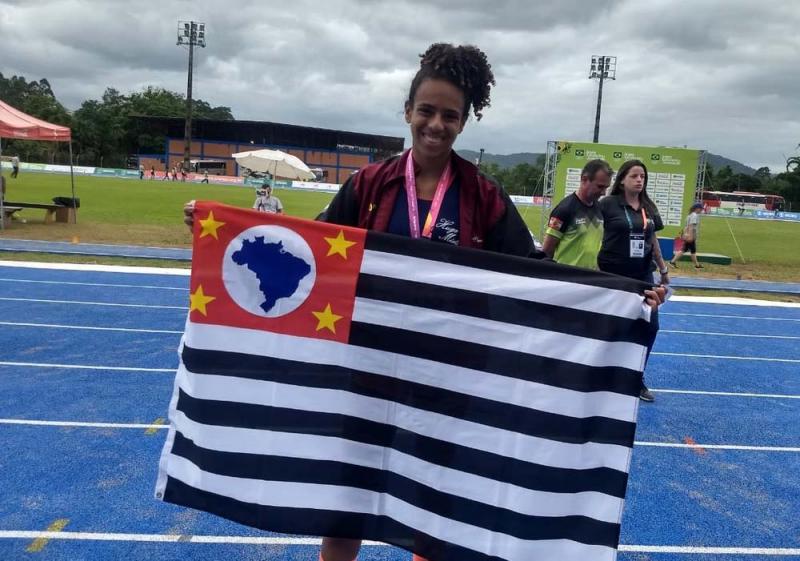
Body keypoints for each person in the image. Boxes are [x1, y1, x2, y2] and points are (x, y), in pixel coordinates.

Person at [183, 43, 663, 560]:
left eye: (450, 115)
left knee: (436, 506)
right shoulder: (369, 184)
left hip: (449, 378)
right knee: (345, 500)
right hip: (366, 370)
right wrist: (228, 230)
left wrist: (627, 295)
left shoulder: (483, 194)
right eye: (426, 111)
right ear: (408, 111)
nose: (436, 124)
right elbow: (309, 250)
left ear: (464, 122)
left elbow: (533, 272)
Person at [597, 159, 669, 403]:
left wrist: (663, 268)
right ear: (622, 180)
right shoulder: (607, 205)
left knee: (650, 327)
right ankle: (603, 374)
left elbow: (653, 239)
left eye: (643, 177)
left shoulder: (648, 206)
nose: (640, 180)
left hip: (643, 276)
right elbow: (593, 234)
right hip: (613, 275)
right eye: (635, 176)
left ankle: (635, 378)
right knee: (612, 327)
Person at [542, 159, 612, 268]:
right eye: (600, 186)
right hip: (568, 279)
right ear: (584, 179)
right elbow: (547, 251)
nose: (603, 192)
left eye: (606, 188)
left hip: (591, 279)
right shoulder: (564, 209)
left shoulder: (599, 208)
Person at [670, 202, 704, 269]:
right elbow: (691, 226)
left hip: (688, 235)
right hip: (690, 235)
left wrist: (685, 234)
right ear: (697, 208)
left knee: (687, 250)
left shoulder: (690, 215)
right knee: (689, 250)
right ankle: (672, 262)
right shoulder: (694, 215)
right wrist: (690, 236)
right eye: (700, 209)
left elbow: (686, 227)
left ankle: (673, 262)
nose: (701, 210)